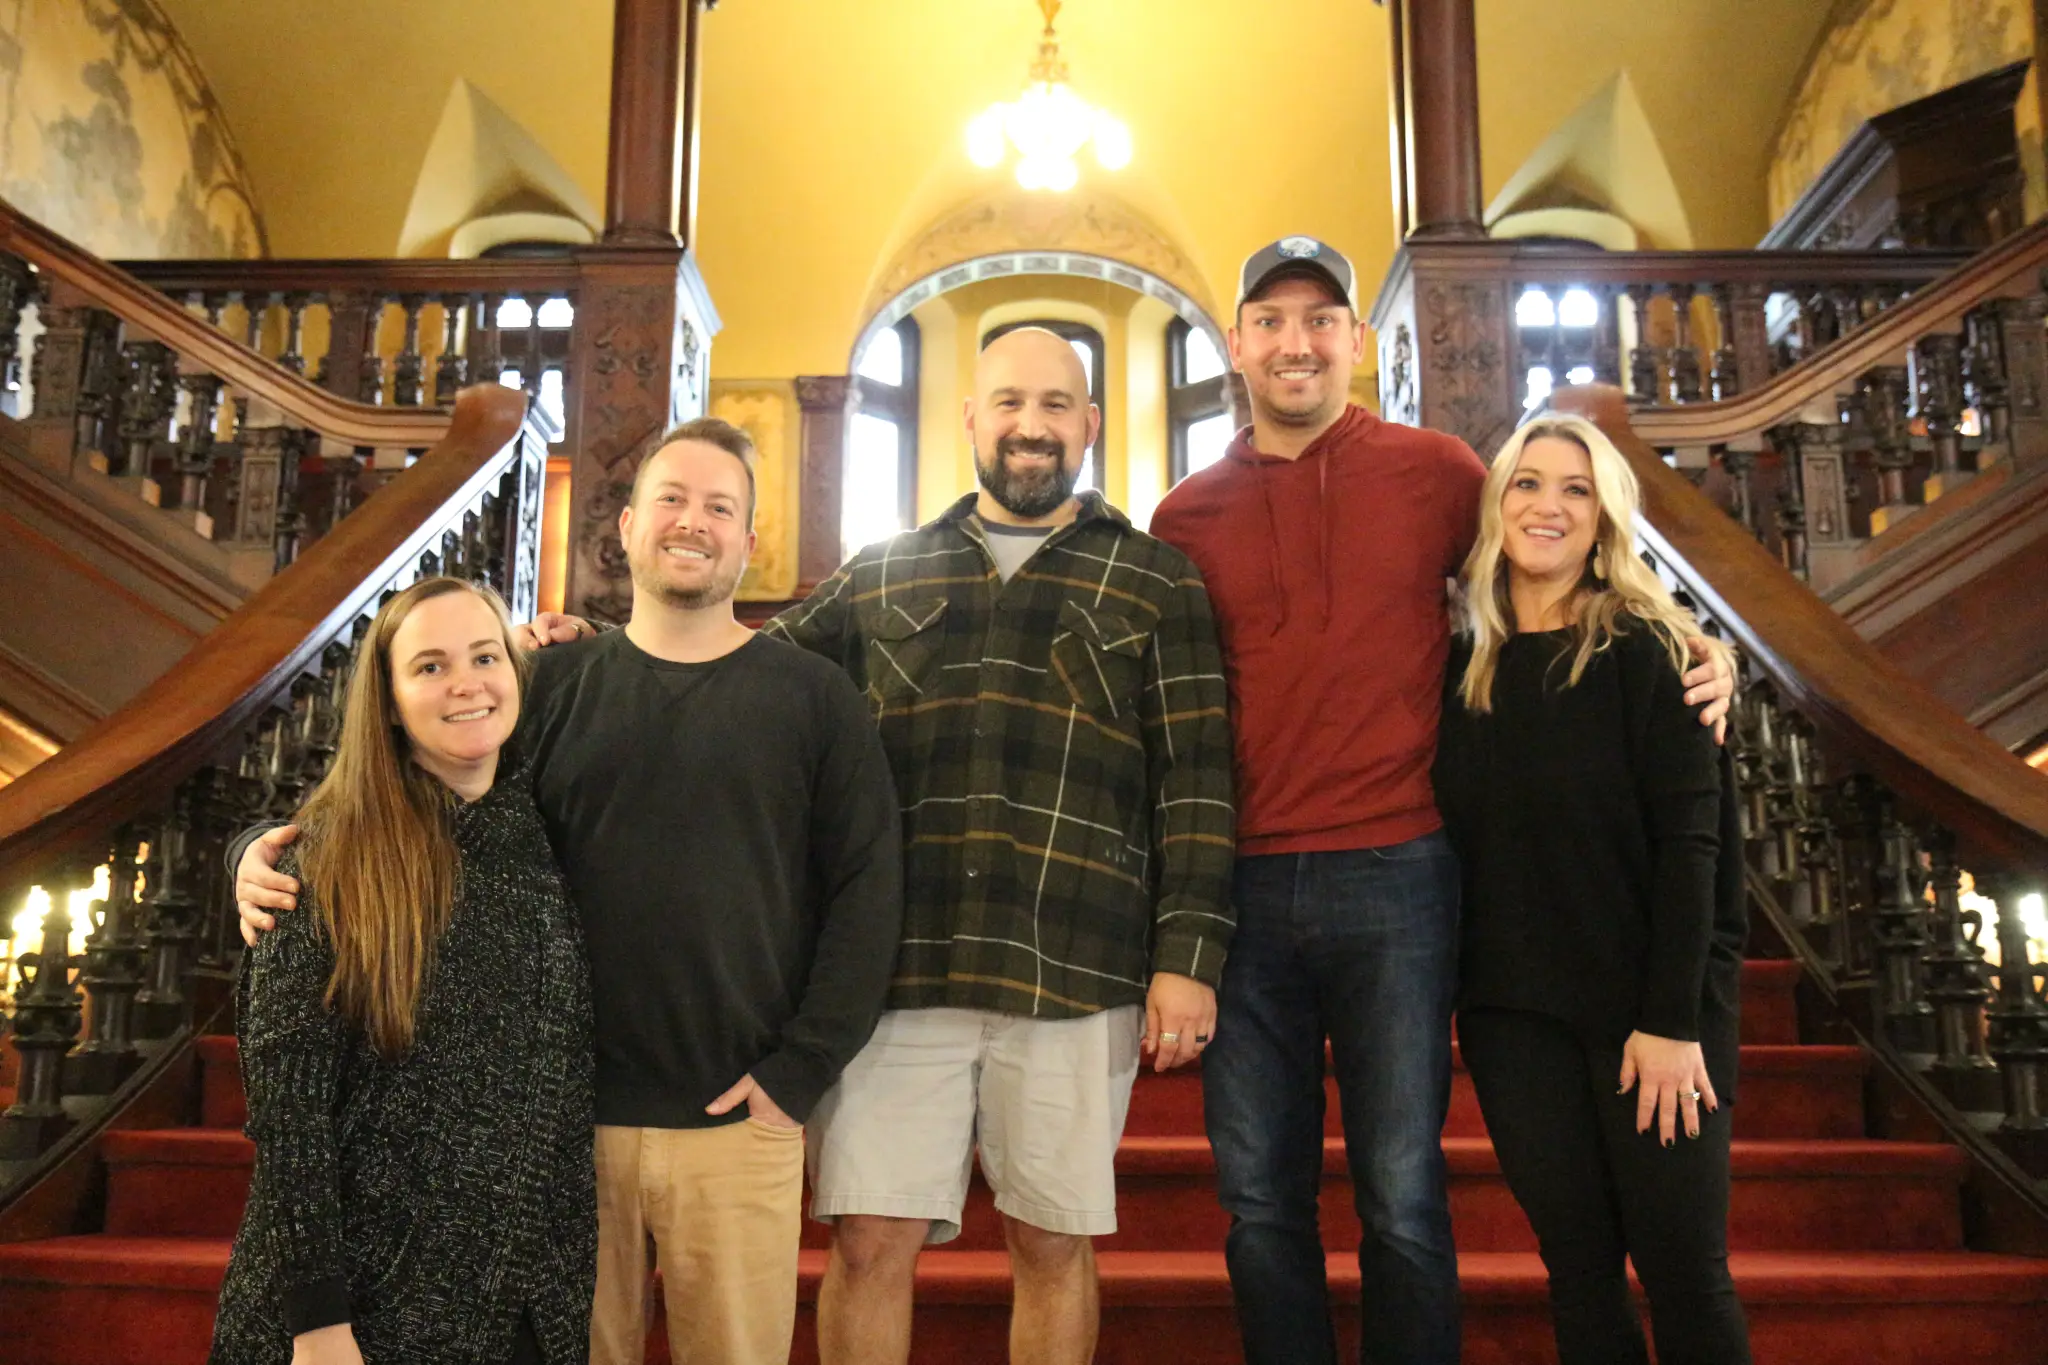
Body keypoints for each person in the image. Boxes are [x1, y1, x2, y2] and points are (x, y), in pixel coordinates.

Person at [1148, 237, 1734, 1365]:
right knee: (1259, 1205)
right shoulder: (1184, 518)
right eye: (1269, 319)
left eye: (1320, 319)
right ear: (1235, 344)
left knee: (1404, 1199)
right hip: (1243, 890)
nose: (1295, 341)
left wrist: (1700, 650)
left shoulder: (1439, 476)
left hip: (1401, 875)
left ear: (1355, 344)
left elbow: (1566, 550)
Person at [233, 419, 904, 1365]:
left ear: (750, 543)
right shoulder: (543, 684)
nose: (693, 522)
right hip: (555, 1137)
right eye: (671, 499)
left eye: (721, 507)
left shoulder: (815, 698)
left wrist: (801, 1071)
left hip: (737, 1122)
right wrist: (253, 849)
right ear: (625, 528)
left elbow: (869, 885)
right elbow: (403, 795)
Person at [1432, 413, 1752, 1365]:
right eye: (1528, 482)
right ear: (1498, 503)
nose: (1548, 505)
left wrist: (1668, 1021)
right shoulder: (1456, 664)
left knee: (1682, 1266)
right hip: (1513, 1015)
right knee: (1575, 1264)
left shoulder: (1656, 652)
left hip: (1653, 1011)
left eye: (1576, 489)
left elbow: (1694, 847)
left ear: (1606, 520)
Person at [209, 576, 594, 1365]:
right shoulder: (324, 863)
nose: (466, 683)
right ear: (386, 700)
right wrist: (315, 1321)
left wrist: (589, 630)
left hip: (523, 1302)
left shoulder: (546, 830)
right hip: (360, 1313)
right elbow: (291, 1122)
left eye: (485, 655)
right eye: (429, 666)